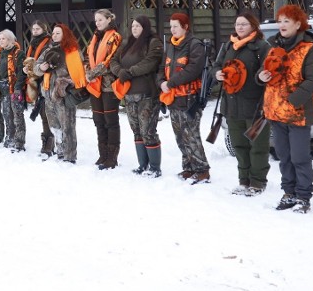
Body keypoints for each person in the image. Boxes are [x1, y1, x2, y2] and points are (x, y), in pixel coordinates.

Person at [257, 4, 313, 214]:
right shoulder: (271, 44)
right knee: (284, 156)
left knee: (299, 157)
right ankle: (289, 192)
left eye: (287, 21)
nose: (282, 25)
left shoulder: (308, 48)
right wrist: (261, 77)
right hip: (275, 111)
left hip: (298, 113)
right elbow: (263, 71)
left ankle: (303, 196)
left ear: (297, 24)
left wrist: (293, 101)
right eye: (280, 20)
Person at [212, 12, 271, 195]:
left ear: (253, 26)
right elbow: (216, 65)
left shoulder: (262, 46)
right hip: (231, 104)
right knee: (239, 145)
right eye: (237, 24)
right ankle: (243, 180)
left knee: (258, 146)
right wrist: (217, 74)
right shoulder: (229, 45)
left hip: (255, 105)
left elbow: (268, 68)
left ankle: (258, 182)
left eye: (244, 24)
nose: (239, 27)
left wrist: (261, 76)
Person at [160, 13, 211, 184]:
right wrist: (161, 82)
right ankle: (188, 168)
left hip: (189, 98)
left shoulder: (194, 45)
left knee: (191, 135)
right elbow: (162, 67)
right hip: (173, 98)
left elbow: (193, 70)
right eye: (171, 26)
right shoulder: (171, 45)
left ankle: (202, 170)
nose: (172, 29)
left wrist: (171, 83)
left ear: (185, 27)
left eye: (176, 26)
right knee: (179, 135)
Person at [110, 15, 164, 176]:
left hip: (147, 94)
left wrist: (129, 72)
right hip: (129, 94)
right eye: (133, 26)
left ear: (145, 27)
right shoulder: (127, 43)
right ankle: (142, 164)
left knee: (148, 130)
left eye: (138, 26)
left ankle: (155, 167)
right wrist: (120, 72)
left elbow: (150, 62)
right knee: (136, 130)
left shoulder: (153, 43)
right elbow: (113, 60)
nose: (134, 29)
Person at [34, 23, 87, 163]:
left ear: (65, 34)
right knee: (54, 126)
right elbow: (35, 68)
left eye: (58, 33)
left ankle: (70, 157)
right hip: (48, 95)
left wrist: (63, 82)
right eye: (53, 33)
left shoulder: (72, 51)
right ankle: (60, 152)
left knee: (67, 126)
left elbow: (79, 74)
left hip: (64, 95)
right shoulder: (47, 50)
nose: (54, 35)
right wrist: (41, 67)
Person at [85, 9, 123, 169]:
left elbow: (111, 60)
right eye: (96, 20)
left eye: (100, 19)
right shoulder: (95, 38)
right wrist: (87, 70)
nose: (98, 23)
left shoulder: (115, 37)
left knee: (111, 121)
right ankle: (103, 154)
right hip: (95, 85)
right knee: (98, 121)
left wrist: (93, 73)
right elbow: (88, 56)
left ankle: (112, 157)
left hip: (108, 85)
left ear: (109, 19)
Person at [23, 20, 54, 156]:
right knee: (43, 113)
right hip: (35, 80)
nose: (35, 31)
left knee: (47, 114)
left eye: (37, 29)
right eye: (33, 29)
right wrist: (26, 69)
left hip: (46, 81)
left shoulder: (48, 43)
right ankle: (46, 141)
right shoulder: (33, 44)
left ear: (44, 29)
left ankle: (50, 142)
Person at [0, 29, 26, 152]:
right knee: (7, 113)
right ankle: (9, 137)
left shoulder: (18, 53)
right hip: (2, 87)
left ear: (10, 39)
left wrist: (18, 88)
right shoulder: (0, 53)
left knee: (17, 114)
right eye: (0, 39)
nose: (1, 41)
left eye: (3, 38)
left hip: (14, 87)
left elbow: (21, 73)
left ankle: (19, 141)